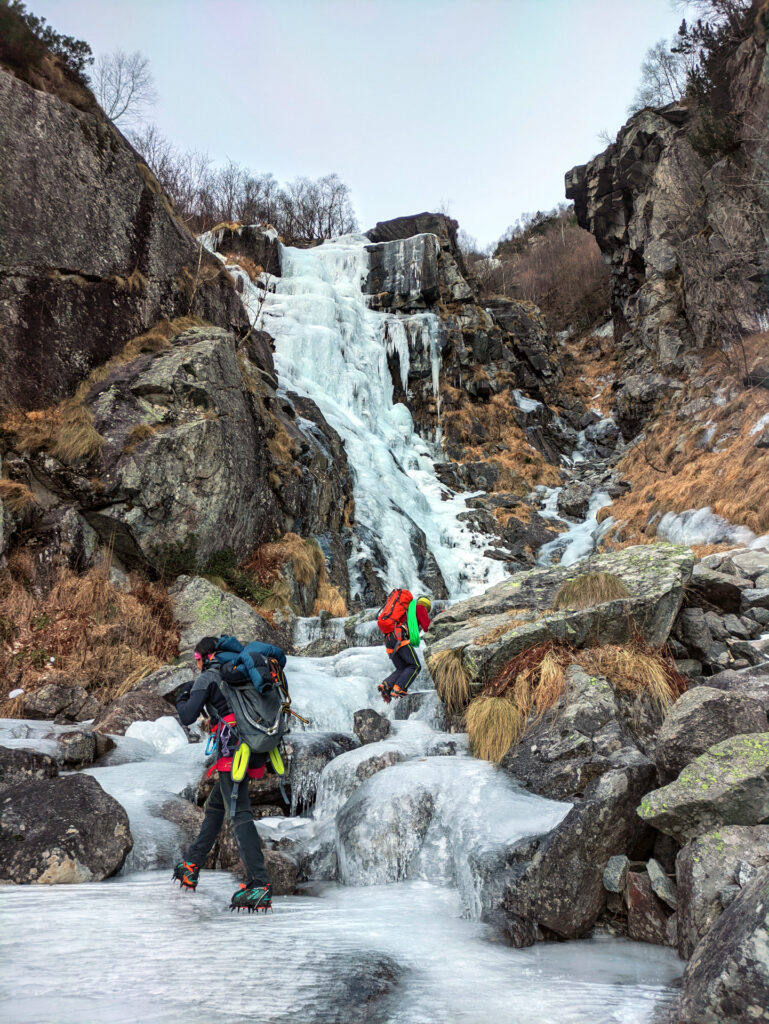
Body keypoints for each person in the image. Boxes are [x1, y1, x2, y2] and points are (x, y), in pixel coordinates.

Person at [172, 635, 286, 913]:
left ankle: (260, 884)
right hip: (253, 747)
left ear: (207, 657)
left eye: (197, 659)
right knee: (215, 806)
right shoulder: (238, 672)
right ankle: (191, 865)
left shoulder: (210, 677)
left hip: (234, 750)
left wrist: (183, 696)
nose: (196, 664)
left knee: (240, 813)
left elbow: (187, 716)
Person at [378, 595, 431, 703]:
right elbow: (427, 627)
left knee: (402, 668)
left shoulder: (406, 610)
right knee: (415, 666)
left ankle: (386, 685)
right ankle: (399, 688)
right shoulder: (420, 608)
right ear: (427, 606)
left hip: (389, 640)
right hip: (399, 638)